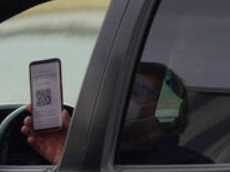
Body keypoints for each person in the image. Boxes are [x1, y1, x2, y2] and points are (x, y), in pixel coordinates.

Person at [21, 64, 210, 165]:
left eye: (135, 92)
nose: (121, 100)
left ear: (166, 108)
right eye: (118, 91)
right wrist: (69, 156)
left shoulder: (188, 166)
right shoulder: (105, 156)